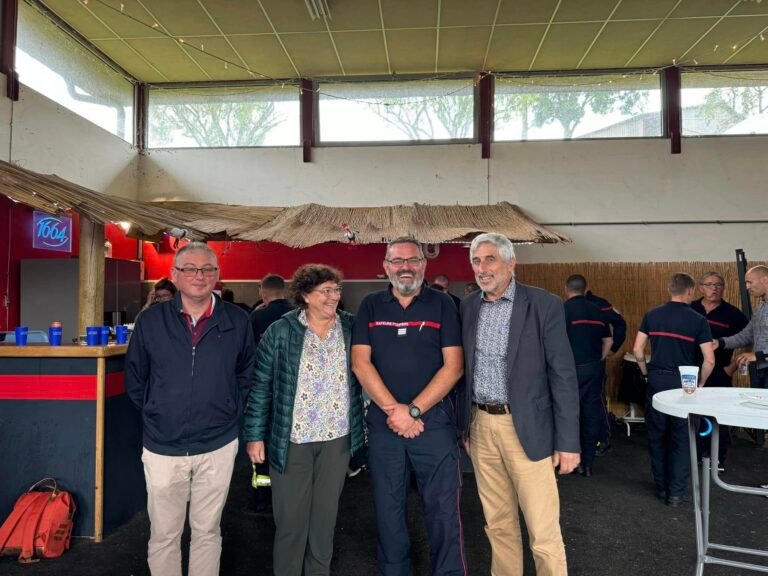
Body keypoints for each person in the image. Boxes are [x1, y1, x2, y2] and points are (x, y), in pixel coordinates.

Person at [125, 241, 255, 576]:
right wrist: (158, 413)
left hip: (218, 443)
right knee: (165, 534)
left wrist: (230, 410)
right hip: (163, 446)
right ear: (174, 274)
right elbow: (136, 379)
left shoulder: (238, 321)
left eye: (208, 269)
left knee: (207, 531)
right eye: (190, 269)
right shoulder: (151, 321)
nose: (200, 276)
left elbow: (246, 374)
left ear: (218, 275)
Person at [457, 232, 579, 576]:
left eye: (490, 259)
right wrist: (465, 425)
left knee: (542, 531)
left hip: (527, 426)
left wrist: (568, 442)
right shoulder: (467, 306)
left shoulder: (544, 305)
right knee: (497, 525)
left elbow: (563, 376)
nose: (482, 268)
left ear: (511, 263)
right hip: (481, 426)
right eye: (476, 261)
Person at [351, 237, 466, 576]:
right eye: (397, 261)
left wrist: (413, 411)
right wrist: (394, 411)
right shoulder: (370, 305)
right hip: (385, 425)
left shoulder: (443, 305)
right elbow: (361, 364)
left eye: (412, 260)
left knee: (443, 509)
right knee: (388, 508)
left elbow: (454, 367)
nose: (405, 267)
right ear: (386, 267)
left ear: (424, 265)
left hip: (434, 423)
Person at [243, 264, 365, 576]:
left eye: (336, 290)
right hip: (292, 440)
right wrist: (255, 436)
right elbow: (260, 386)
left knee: (324, 523)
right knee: (291, 524)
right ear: (305, 295)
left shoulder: (351, 327)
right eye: (326, 291)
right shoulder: (281, 331)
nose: (333, 296)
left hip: (336, 440)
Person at [632, 273, 714, 507]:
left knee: (657, 436)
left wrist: (646, 372)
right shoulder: (698, 320)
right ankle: (676, 493)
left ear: (670, 290)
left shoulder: (652, 315)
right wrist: (700, 385)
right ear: (689, 292)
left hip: (657, 381)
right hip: (685, 383)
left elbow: (638, 350)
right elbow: (709, 360)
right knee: (683, 437)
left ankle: (661, 488)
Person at [246, 274, 296, 513]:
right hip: (297, 393)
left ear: (263, 294)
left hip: (265, 391)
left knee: (263, 443)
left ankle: (263, 499)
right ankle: (292, 496)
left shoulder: (256, 317)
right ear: (285, 291)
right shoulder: (300, 314)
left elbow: (247, 356)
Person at [690, 271, 748, 468]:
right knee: (692, 415)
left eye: (718, 285)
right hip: (691, 372)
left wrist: (731, 368)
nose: (713, 288)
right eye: (709, 284)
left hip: (719, 373)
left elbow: (749, 340)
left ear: (724, 288)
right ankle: (694, 455)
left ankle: (717, 459)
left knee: (716, 417)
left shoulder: (733, 314)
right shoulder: (690, 309)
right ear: (700, 287)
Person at [564, 274, 613, 477]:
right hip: (593, 369)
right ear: (586, 288)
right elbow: (608, 340)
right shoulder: (598, 310)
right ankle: (588, 463)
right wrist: (599, 359)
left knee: (568, 414)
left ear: (567, 289)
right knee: (591, 413)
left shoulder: (563, 310)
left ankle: (571, 460)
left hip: (568, 371)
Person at [583, 279, 626, 456]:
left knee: (596, 399)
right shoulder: (569, 306)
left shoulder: (600, 305)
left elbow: (620, 323)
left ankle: (602, 438)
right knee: (593, 400)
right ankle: (593, 441)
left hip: (590, 361)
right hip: (591, 360)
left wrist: (612, 348)